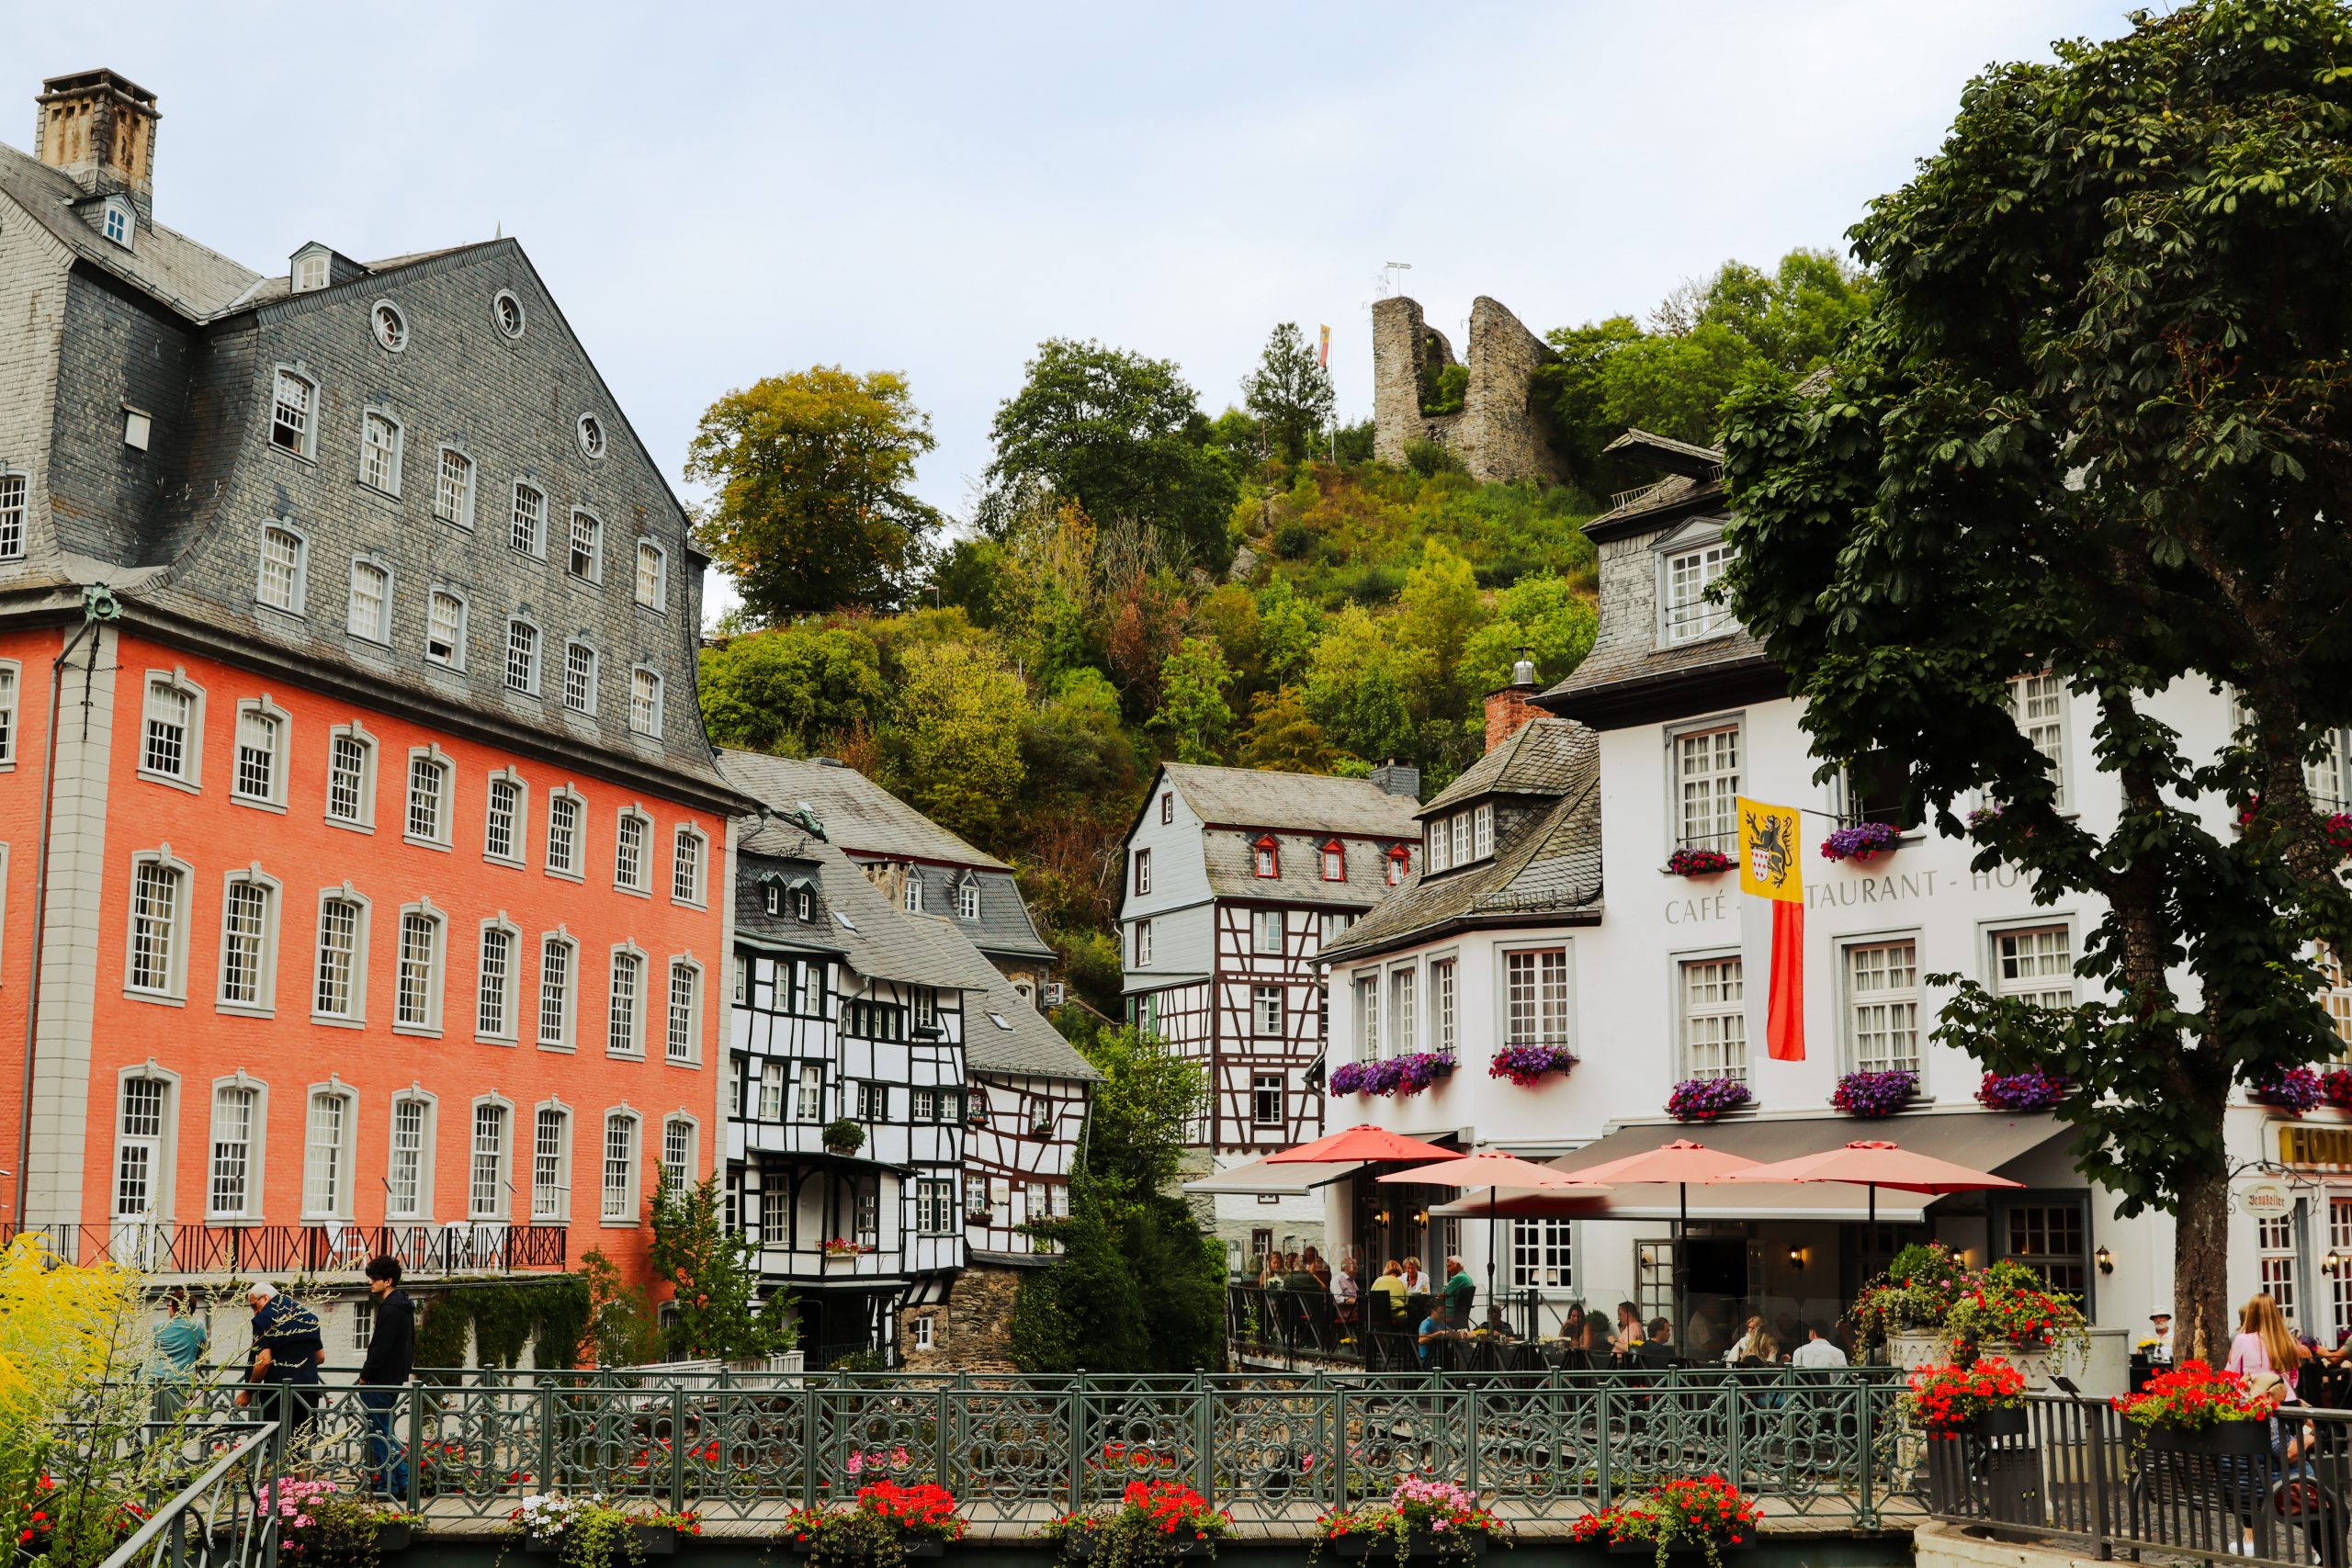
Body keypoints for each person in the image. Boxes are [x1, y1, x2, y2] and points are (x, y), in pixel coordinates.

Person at [357, 1256, 416, 1498]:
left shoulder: (390, 1309)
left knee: (378, 1432)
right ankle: (400, 1482)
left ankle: (390, 1483)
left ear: (388, 1281)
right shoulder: (403, 1307)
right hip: (394, 1377)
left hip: (379, 1379)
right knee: (384, 1430)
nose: (371, 1283)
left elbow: (380, 1347)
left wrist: (365, 1374)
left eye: (374, 1279)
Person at [238, 1281, 324, 1438]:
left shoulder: (264, 1320)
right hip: (308, 1391)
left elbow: (263, 1361)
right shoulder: (308, 1316)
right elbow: (320, 1357)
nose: (255, 1312)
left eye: (254, 1306)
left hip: (278, 1395)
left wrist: (248, 1392)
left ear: (265, 1298)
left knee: (275, 1445)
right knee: (302, 1445)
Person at [153, 1287, 208, 1375]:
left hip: (150, 1378)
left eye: (169, 1305)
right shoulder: (198, 1327)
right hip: (180, 1381)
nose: (168, 1308)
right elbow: (201, 1351)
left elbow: (153, 1350)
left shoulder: (158, 1327)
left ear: (174, 1307)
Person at [1417, 1301, 1454, 1366]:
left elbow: (1450, 1331)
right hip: (1427, 1359)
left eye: (1443, 1313)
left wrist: (1459, 1332)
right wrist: (1439, 1333)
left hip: (1438, 1358)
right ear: (1433, 1312)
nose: (1443, 1315)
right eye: (1440, 1313)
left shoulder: (1440, 1323)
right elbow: (1421, 1341)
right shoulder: (1426, 1324)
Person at [1442, 1255, 1476, 1326]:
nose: (1448, 1270)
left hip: (1450, 1313)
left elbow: (1443, 1294)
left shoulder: (1458, 1278)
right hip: (1461, 1314)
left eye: (1449, 1266)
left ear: (1458, 1265)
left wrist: (1444, 1289)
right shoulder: (1468, 1278)